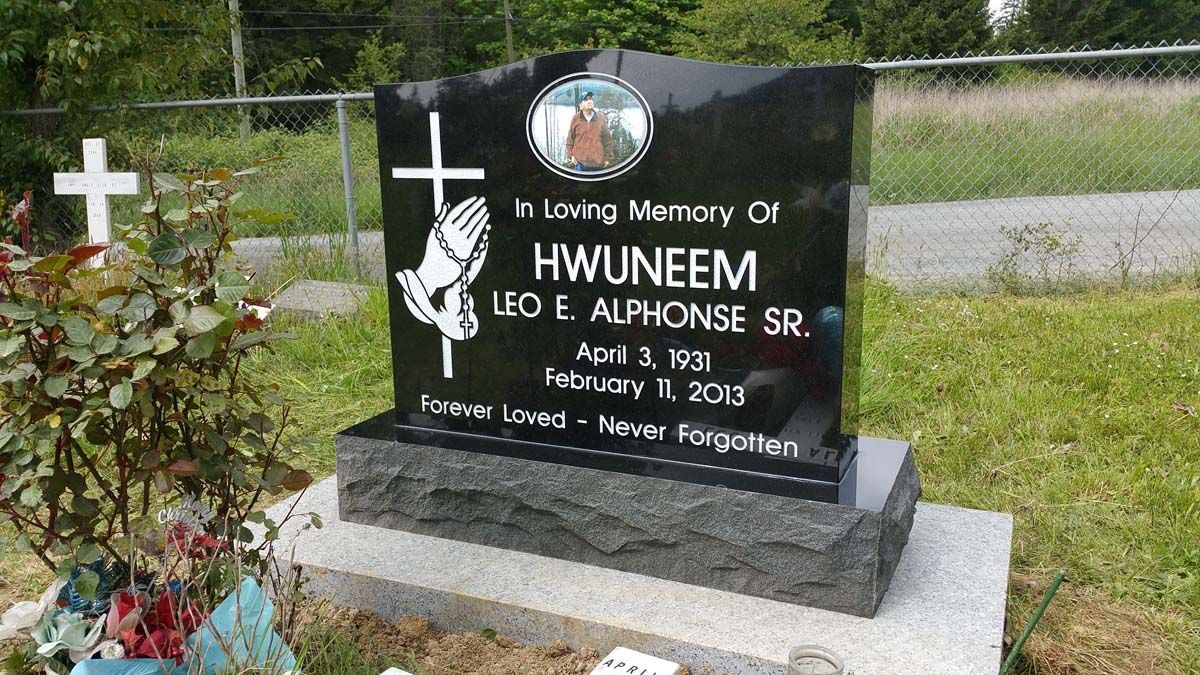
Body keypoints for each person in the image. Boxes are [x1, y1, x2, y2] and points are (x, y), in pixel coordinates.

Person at [564, 91, 613, 171]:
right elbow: (570, 140)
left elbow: (607, 140)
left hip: (599, 165)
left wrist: (608, 158)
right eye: (586, 100)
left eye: (590, 99)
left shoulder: (600, 117)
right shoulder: (576, 118)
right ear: (580, 105)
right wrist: (571, 156)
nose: (589, 101)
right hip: (580, 165)